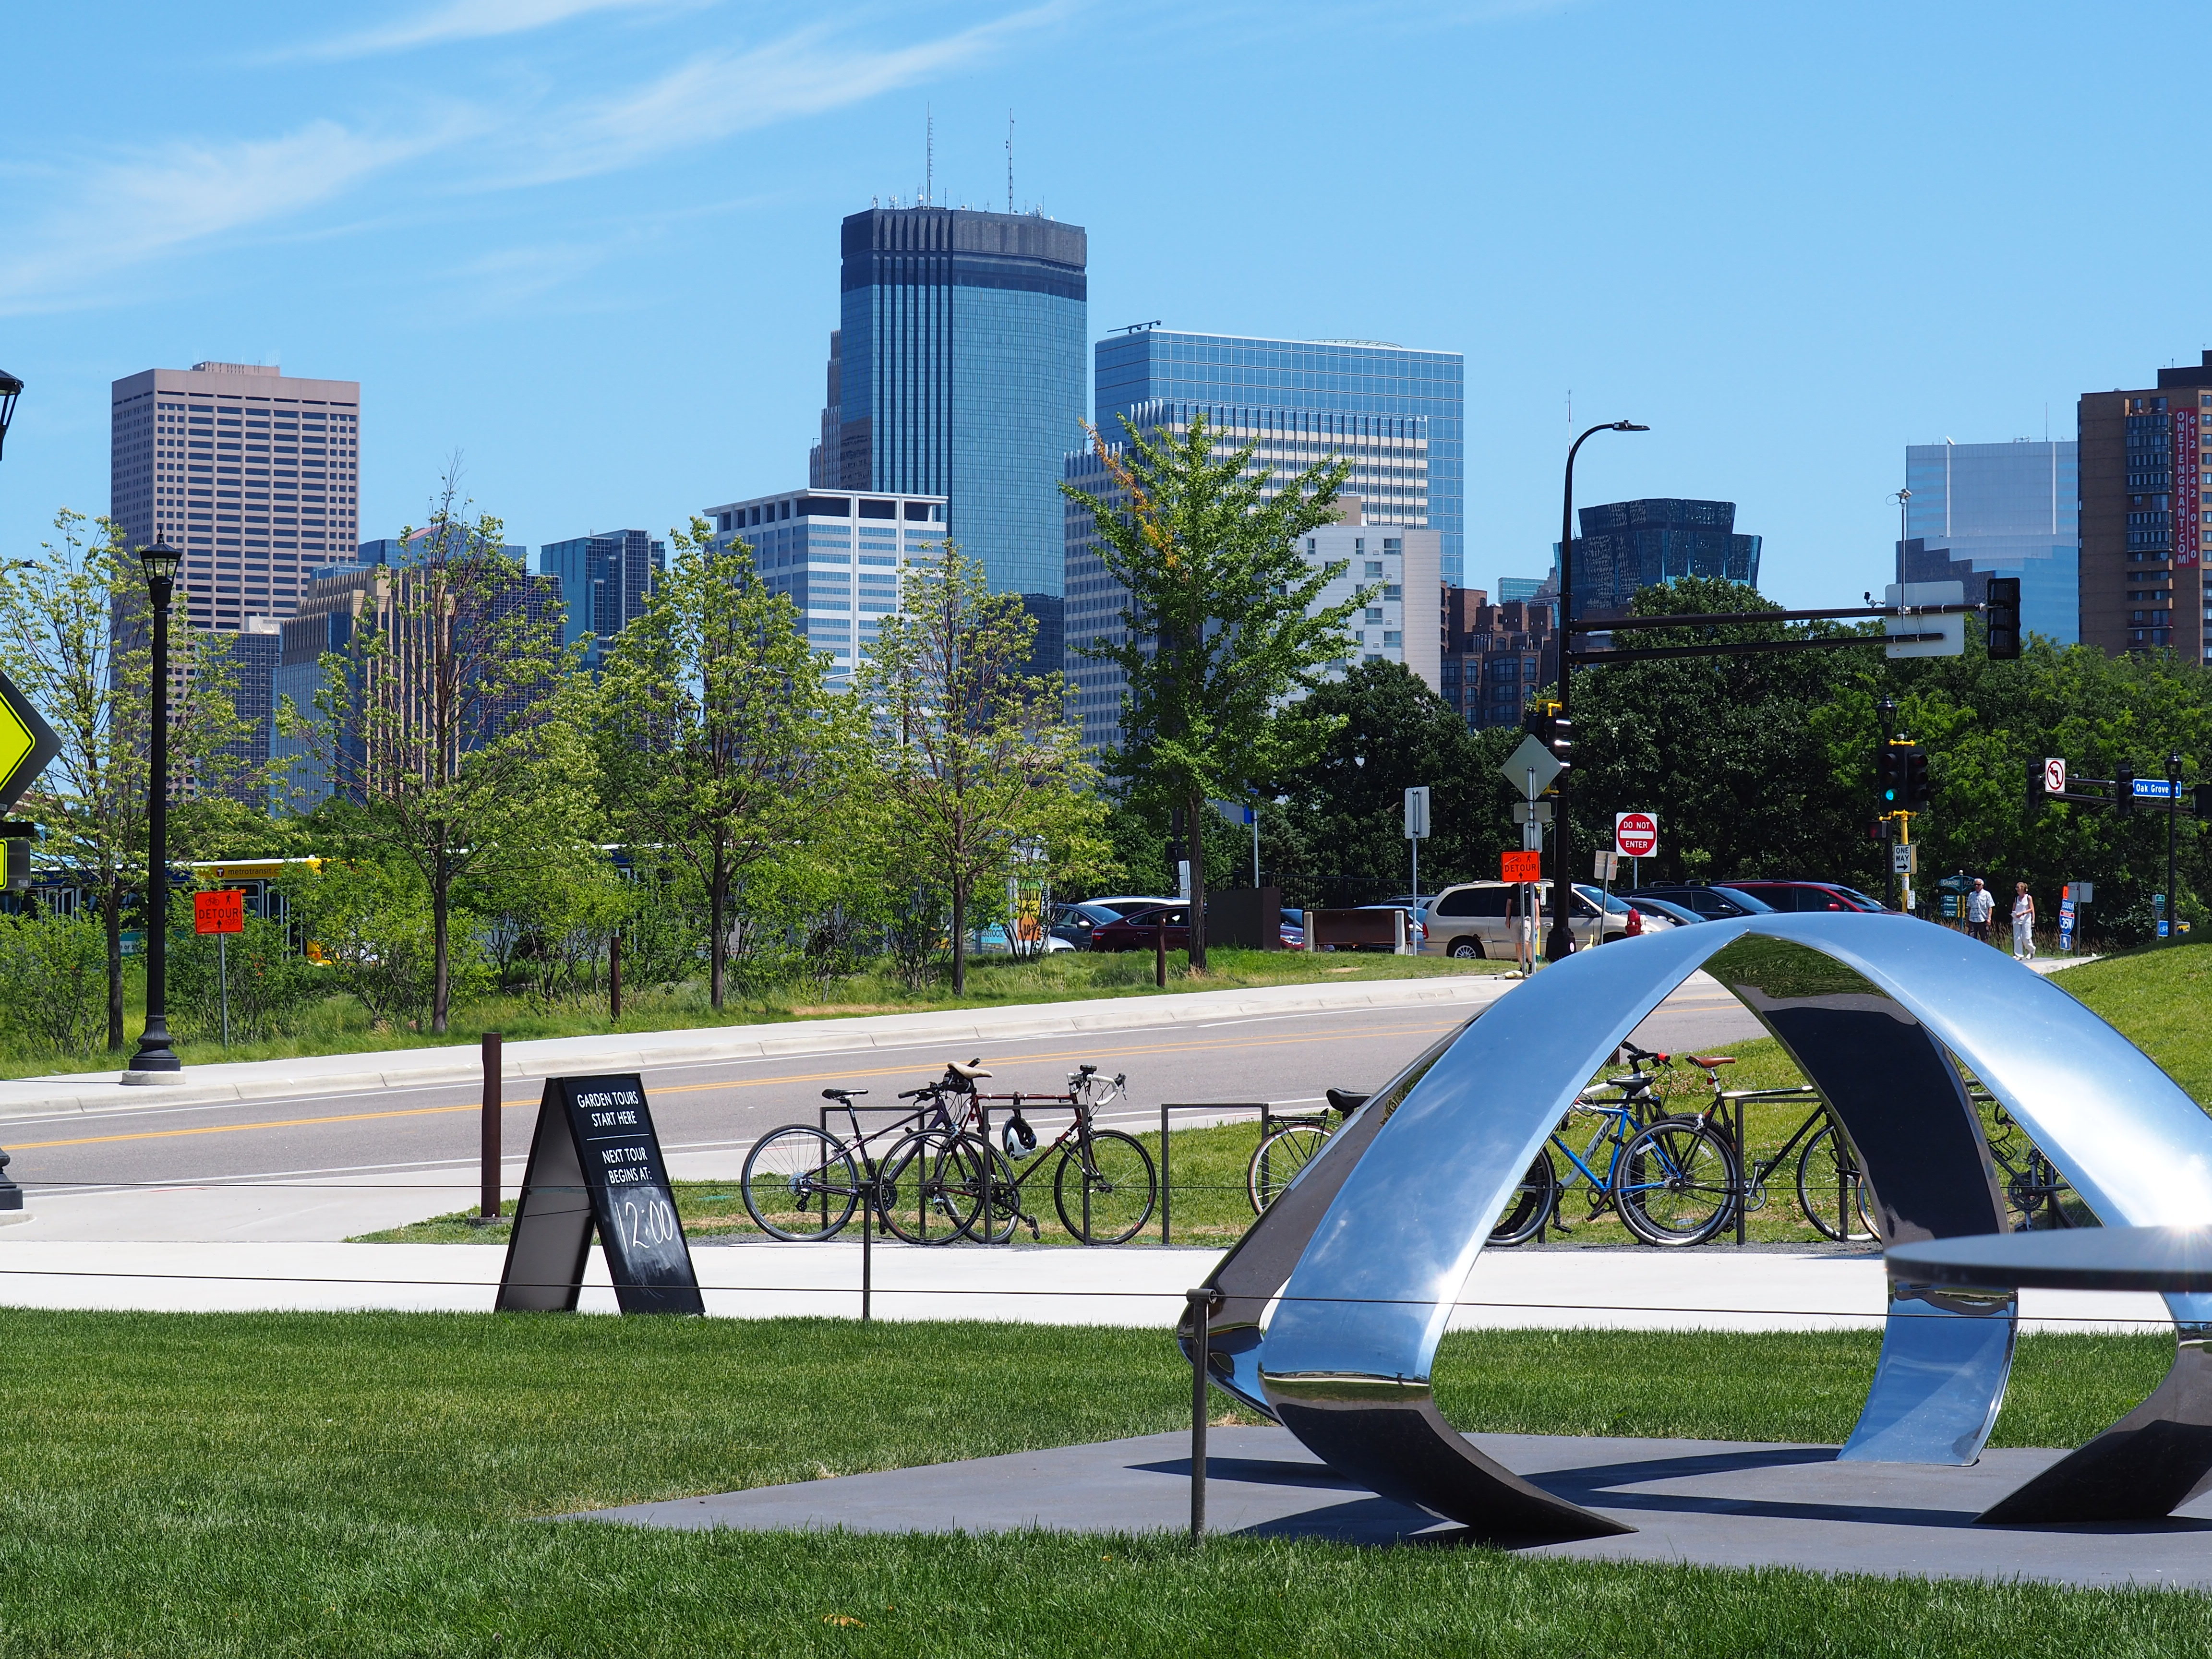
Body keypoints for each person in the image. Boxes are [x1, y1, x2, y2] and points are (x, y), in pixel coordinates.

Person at [2011, 881, 2035, 961]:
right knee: (2017, 937)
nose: (2017, 890)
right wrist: (2013, 915)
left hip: (2026, 919)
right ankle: (2018, 955)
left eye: (2018, 888)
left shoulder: (2028, 898)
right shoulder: (2016, 898)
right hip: (2017, 919)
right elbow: (2014, 908)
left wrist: (2024, 914)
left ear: (2023, 889)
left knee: (2026, 938)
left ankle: (2031, 950)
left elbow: (2032, 909)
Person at [1965, 878, 1995, 944]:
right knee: (1971, 938)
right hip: (1972, 920)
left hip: (1983, 919)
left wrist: (1989, 918)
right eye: (1975, 884)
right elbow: (1969, 907)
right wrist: (1967, 919)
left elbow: (1990, 907)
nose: (1977, 886)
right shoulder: (1971, 895)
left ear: (1982, 886)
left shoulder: (1987, 894)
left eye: (1978, 885)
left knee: (1984, 938)